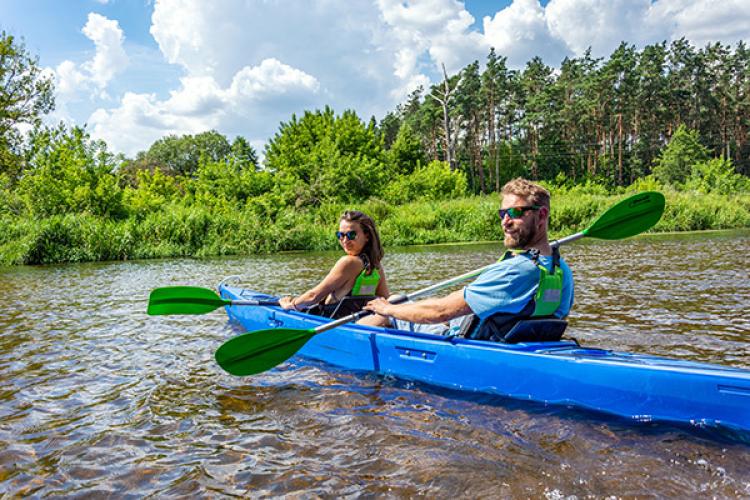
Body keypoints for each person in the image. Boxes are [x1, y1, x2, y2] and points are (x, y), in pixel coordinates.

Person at [360, 178, 574, 342]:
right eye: (502, 214)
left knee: (394, 304)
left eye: (515, 212)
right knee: (399, 300)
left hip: (459, 340)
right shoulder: (559, 269)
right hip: (509, 340)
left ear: (542, 215)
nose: (505, 222)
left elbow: (439, 312)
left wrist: (387, 309)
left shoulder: (516, 270)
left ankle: (340, 340)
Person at [279, 210, 390, 318]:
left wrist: (291, 305)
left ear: (367, 236)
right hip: (355, 321)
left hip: (332, 320)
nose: (345, 240)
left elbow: (314, 296)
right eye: (340, 235)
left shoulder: (348, 262)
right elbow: (385, 298)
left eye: (351, 235)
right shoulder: (376, 266)